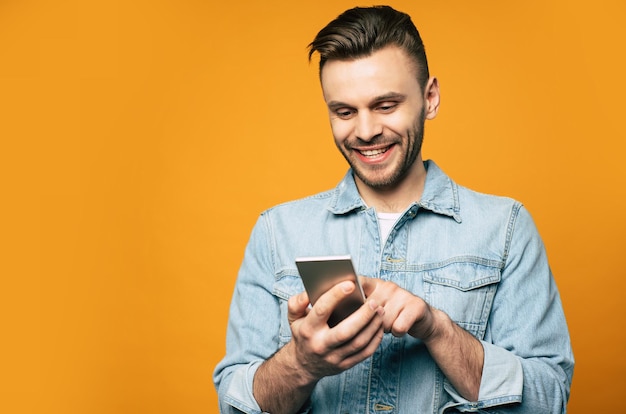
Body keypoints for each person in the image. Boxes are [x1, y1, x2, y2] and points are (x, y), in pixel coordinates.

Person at [213, 5, 574, 413]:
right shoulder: (277, 231)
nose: (365, 131)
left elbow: (549, 399)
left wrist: (437, 330)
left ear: (430, 98)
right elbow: (234, 405)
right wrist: (300, 365)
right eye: (344, 112)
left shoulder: (505, 228)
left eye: (385, 106)